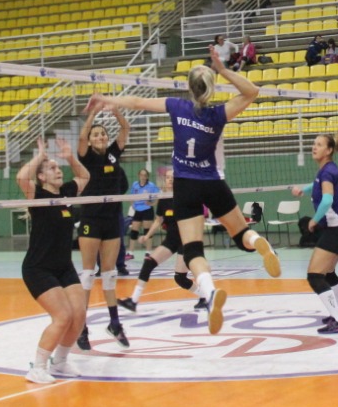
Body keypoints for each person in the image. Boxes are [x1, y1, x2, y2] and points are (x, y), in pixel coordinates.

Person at [85, 50, 281, 335]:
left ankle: (211, 292)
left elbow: (137, 101)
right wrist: (223, 70)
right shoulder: (218, 114)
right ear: (212, 89)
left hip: (186, 186)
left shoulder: (177, 106)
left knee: (192, 251)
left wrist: (108, 100)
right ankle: (257, 239)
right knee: (240, 235)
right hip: (213, 181)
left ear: (189, 87)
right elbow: (252, 92)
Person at [17, 136, 90, 383]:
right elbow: (20, 178)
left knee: (79, 314)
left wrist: (70, 156)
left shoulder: (66, 192)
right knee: (63, 316)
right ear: (41, 177)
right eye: (52, 168)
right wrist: (40, 156)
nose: (58, 171)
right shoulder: (36, 196)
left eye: (59, 168)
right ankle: (37, 367)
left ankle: (60, 362)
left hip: (64, 267)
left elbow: (84, 177)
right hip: (38, 268)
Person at [75, 104, 131, 348]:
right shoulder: (85, 156)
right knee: (88, 274)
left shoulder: (112, 154)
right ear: (90, 139)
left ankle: (114, 323)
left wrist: (114, 110)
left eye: (103, 134)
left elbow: (125, 128)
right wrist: (93, 116)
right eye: (96, 134)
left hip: (112, 220)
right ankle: (81, 328)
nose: (100, 137)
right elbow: (80, 137)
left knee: (109, 274)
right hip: (91, 219)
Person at [291, 132, 338, 333]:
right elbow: (320, 185)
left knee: (314, 275)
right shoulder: (328, 169)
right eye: (314, 143)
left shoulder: (327, 171)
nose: (314, 147)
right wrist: (305, 189)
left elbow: (328, 199)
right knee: (328, 273)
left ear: (329, 151)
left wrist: (314, 219)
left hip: (337, 229)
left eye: (319, 144)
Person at [118, 171, 209, 314]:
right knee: (148, 263)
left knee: (180, 278)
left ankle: (205, 296)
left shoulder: (184, 196)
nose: (170, 180)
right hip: (171, 240)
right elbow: (158, 220)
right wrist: (147, 236)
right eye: (168, 178)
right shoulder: (163, 199)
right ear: (164, 181)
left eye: (173, 178)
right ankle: (133, 301)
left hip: (185, 241)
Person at [127, 169, 159, 242]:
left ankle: (148, 252)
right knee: (134, 232)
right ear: (139, 175)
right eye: (141, 175)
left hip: (147, 209)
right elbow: (130, 196)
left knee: (147, 231)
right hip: (137, 210)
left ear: (147, 176)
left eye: (145, 175)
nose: (143, 177)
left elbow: (158, 195)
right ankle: (130, 252)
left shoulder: (151, 185)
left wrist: (152, 204)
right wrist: (133, 205)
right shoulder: (135, 184)